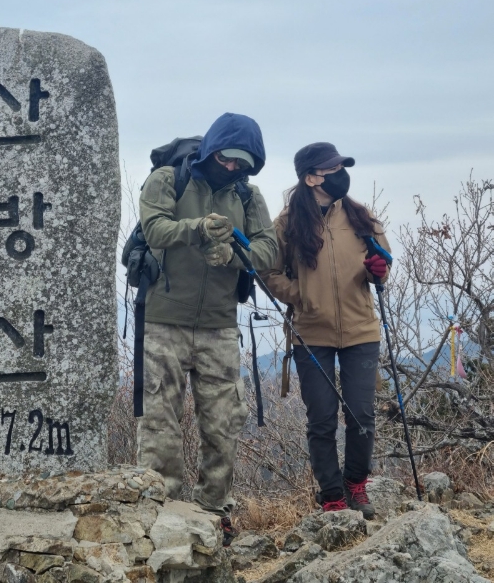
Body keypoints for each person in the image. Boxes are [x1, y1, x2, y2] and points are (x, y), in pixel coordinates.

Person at [137, 112, 277, 542]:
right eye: (226, 157)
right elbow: (154, 228)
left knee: (223, 425)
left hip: (220, 324)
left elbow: (269, 249)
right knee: (159, 424)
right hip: (163, 320)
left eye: (241, 162)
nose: (231, 166)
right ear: (211, 149)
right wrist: (197, 229)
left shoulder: (248, 196)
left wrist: (235, 256)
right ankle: (159, 513)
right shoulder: (168, 179)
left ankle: (215, 513)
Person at [262, 142, 390, 519]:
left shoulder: (360, 215)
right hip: (311, 333)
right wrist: (302, 296)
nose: (340, 175)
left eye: (341, 168)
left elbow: (381, 263)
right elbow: (269, 272)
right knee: (321, 418)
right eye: (332, 170)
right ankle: (332, 495)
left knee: (362, 415)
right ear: (311, 178)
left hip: (361, 329)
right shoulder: (287, 223)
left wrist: (378, 270)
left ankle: (356, 485)